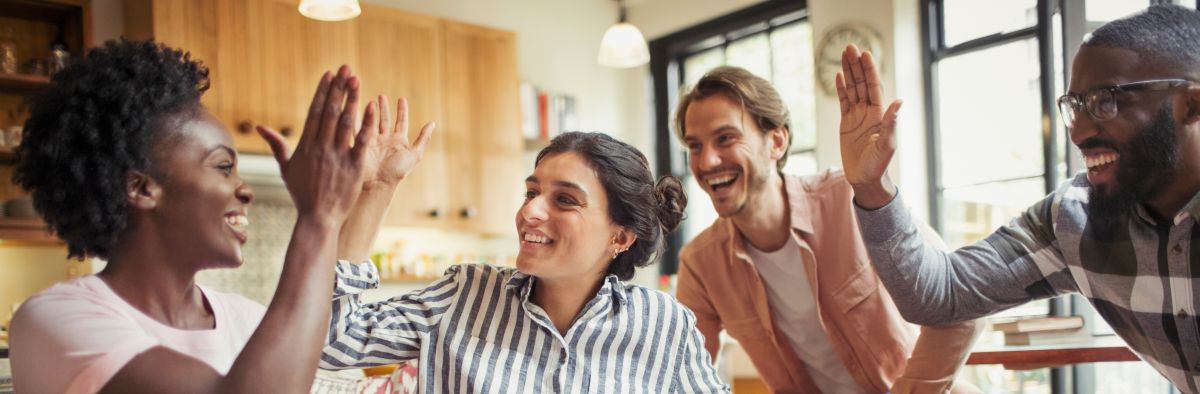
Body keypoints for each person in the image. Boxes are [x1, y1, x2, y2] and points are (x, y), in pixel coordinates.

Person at [8, 39, 432, 393]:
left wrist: (373, 191)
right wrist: (318, 217)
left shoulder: (246, 320)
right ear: (141, 188)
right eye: (223, 167)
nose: (243, 190)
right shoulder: (57, 319)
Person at [838, 4, 1200, 392]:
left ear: (1191, 105)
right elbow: (938, 295)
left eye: (1105, 101)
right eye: (1074, 106)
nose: (1077, 132)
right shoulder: (1074, 218)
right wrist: (872, 186)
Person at [320, 131, 731, 393]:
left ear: (619, 236)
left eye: (565, 200)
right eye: (531, 192)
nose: (530, 211)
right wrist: (378, 188)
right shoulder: (465, 294)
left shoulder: (663, 323)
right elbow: (331, 342)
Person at [673, 65, 983, 393]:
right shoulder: (701, 264)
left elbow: (962, 299)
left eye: (725, 138)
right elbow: (684, 377)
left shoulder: (850, 200)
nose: (706, 162)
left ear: (776, 141)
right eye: (695, 146)